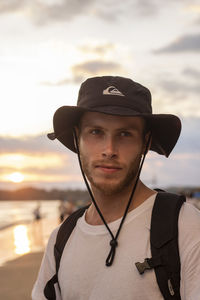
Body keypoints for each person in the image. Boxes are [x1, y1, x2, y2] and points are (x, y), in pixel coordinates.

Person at [32, 76, 200, 299]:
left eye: (124, 134)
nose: (109, 149)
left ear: (145, 143)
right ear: (77, 138)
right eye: (96, 132)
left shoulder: (184, 226)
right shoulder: (62, 238)